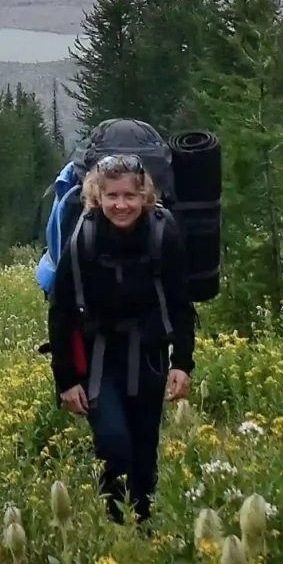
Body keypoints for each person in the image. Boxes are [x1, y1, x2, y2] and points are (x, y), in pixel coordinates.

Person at [47, 152, 194, 522]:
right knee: (113, 443)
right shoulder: (85, 236)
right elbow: (61, 311)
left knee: (145, 449)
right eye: (112, 196)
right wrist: (66, 380)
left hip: (150, 355)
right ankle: (117, 522)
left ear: (145, 196)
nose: (121, 205)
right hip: (100, 358)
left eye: (129, 196)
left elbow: (180, 301)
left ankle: (143, 528)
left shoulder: (164, 232)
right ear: (98, 196)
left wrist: (183, 363)